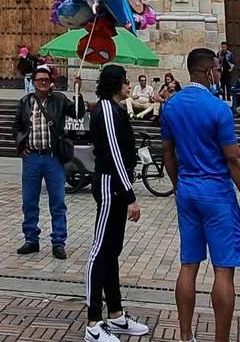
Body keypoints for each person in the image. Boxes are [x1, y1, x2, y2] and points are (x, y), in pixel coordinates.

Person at [160, 48, 240, 342]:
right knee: (223, 271)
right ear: (207, 72)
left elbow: (168, 154)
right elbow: (235, 158)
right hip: (217, 193)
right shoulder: (218, 108)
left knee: (188, 265)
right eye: (217, 68)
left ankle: (186, 336)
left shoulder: (171, 106)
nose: (220, 73)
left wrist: (179, 185)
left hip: (187, 191)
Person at [82, 64, 150, 341]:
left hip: (118, 187)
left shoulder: (116, 109)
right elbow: (113, 155)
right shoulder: (107, 110)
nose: (128, 84)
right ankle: (93, 322)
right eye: (124, 81)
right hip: (111, 185)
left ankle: (117, 314)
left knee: (111, 250)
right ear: (115, 84)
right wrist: (130, 195)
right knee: (100, 251)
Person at [13, 65, 76, 258]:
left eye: (45, 80)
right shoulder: (25, 102)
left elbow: (77, 113)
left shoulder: (59, 100)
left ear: (50, 83)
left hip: (52, 157)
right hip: (31, 157)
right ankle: (31, 239)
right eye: (39, 80)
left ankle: (58, 242)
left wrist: (78, 91)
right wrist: (20, 145)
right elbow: (16, 126)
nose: (42, 82)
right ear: (33, 83)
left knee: (57, 201)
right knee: (29, 201)